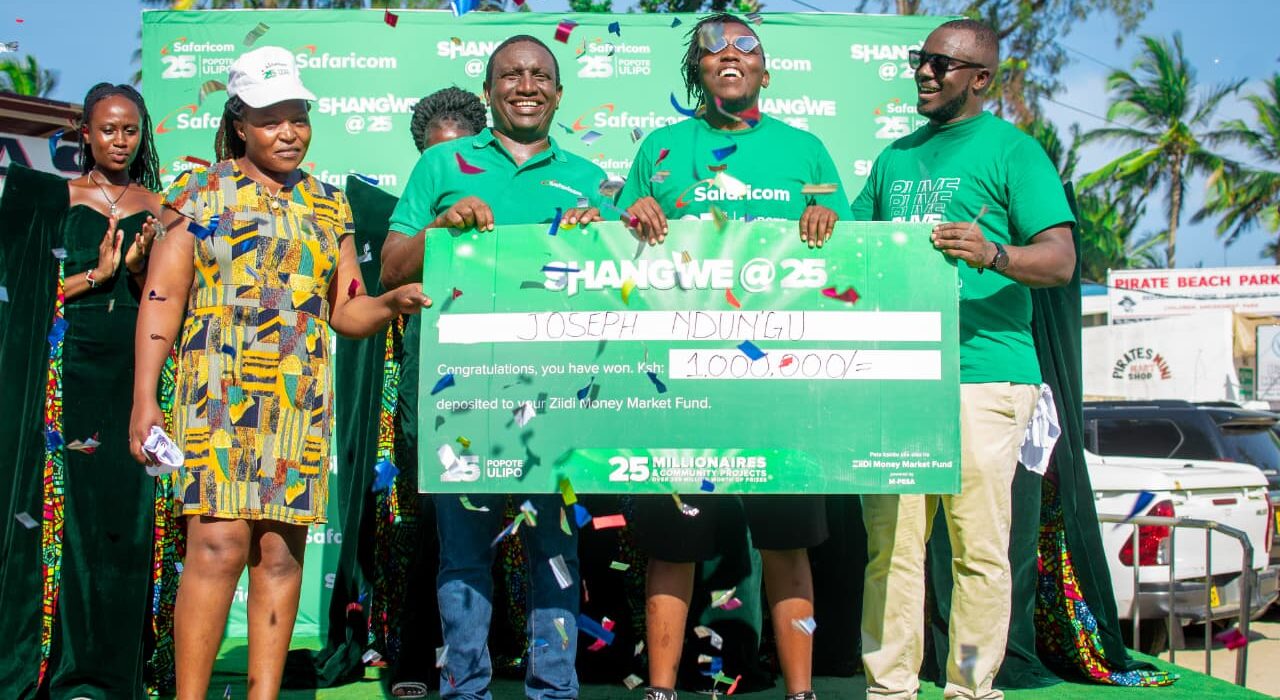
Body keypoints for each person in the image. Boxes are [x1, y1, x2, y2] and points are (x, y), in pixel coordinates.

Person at [127, 46, 429, 700]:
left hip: (297, 399)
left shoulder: (329, 207)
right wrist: (144, 400)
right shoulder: (195, 194)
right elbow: (161, 297)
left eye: (298, 117)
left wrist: (388, 302)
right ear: (239, 122)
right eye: (271, 119)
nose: (288, 132)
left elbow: (346, 309)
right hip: (215, 393)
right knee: (217, 548)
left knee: (279, 555)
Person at [615, 13, 849, 700]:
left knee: (786, 542)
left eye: (745, 45)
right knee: (672, 541)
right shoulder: (660, 150)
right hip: (681, 375)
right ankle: (660, 689)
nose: (728, 53)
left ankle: (800, 692)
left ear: (765, 72)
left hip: (780, 382)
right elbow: (615, 252)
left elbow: (849, 259)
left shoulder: (806, 151)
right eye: (712, 47)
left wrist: (828, 225)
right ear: (699, 71)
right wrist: (634, 221)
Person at [849, 19, 1076, 700]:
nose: (924, 72)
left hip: (986, 374)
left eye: (942, 64)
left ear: (981, 79)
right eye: (920, 61)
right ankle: (889, 688)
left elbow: (1061, 261)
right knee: (893, 545)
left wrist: (994, 255)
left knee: (977, 549)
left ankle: (971, 689)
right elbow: (855, 251)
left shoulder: (1015, 152)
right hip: (899, 379)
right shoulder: (893, 159)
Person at [380, 35, 605, 700]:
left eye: (540, 75)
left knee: (556, 554)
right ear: (489, 91)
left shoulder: (591, 180)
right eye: (511, 74)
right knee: (464, 555)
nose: (526, 85)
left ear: (559, 94)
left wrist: (608, 239)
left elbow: (631, 292)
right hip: (465, 394)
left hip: (561, 396)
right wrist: (441, 228)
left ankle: (553, 689)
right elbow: (389, 270)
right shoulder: (442, 165)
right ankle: (465, 689)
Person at [293, 85, 491, 699]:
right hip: (430, 366)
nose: (450, 169)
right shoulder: (410, 210)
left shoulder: (509, 189)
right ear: (420, 159)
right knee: (429, 511)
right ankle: (413, 650)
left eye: (462, 158)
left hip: (508, 363)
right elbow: (384, 280)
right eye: (437, 158)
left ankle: (499, 649)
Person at [0, 82, 165, 700]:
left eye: (130, 130)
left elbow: (171, 300)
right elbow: (23, 297)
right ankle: (62, 669)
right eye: (108, 130)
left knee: (129, 518)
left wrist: (144, 266)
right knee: (68, 518)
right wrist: (98, 274)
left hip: (139, 373)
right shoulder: (53, 199)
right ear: (84, 134)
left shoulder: (162, 203)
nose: (120, 141)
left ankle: (119, 667)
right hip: (67, 372)